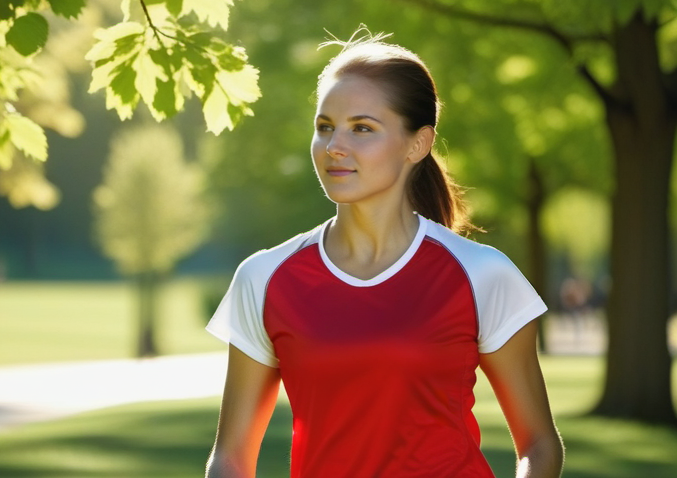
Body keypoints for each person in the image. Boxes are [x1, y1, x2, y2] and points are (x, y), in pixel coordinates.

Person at [204, 32, 564, 478]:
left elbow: (539, 444)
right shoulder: (264, 278)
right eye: (324, 127)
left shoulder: (482, 274)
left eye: (362, 128)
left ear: (418, 144)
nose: (335, 145)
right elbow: (230, 459)